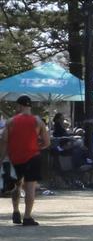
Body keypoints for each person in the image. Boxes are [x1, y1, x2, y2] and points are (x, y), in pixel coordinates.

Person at [1, 95, 52, 226]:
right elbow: (47, 142)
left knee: (17, 185)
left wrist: (1, 159)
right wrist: (36, 147)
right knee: (30, 187)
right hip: (33, 157)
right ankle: (27, 217)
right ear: (30, 106)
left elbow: (4, 143)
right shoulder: (38, 121)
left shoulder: (10, 122)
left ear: (19, 106)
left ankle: (16, 211)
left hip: (15, 158)